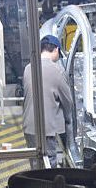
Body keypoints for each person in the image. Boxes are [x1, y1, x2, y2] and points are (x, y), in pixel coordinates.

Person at [23, 34, 73, 168]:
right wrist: (68, 124)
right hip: (46, 128)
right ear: (56, 49)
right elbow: (67, 102)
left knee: (35, 162)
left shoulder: (28, 68)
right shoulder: (57, 70)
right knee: (48, 164)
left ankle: (36, 187)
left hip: (29, 126)